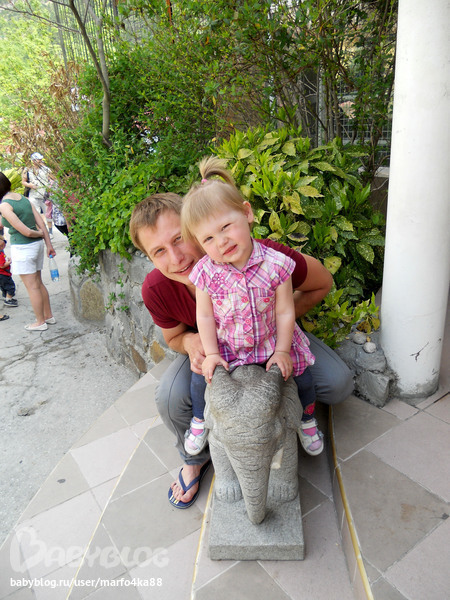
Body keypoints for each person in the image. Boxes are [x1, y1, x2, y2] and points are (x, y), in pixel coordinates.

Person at [129, 189, 353, 509]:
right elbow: (173, 337)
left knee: (336, 383)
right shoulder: (157, 289)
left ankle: (298, 419)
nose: (175, 258)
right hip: (217, 349)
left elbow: (321, 282)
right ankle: (194, 460)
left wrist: (275, 325)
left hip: (273, 339)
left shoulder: (264, 258)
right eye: (159, 251)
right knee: (170, 396)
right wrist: (190, 342)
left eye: (179, 239)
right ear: (150, 259)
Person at [180, 157, 324, 457]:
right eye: (208, 238)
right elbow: (204, 315)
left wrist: (282, 350)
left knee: (303, 377)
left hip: (271, 341)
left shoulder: (276, 264)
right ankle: (199, 420)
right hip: (229, 346)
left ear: (247, 213)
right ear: (200, 244)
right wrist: (212, 354)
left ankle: (307, 419)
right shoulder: (205, 272)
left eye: (226, 227)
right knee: (200, 378)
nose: (221, 241)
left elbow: (285, 311)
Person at [0, 172, 56, 331]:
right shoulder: (23, 198)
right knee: (38, 283)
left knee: (32, 287)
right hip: (37, 247)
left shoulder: (4, 205)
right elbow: (41, 223)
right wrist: (48, 243)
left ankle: (40, 322)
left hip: (23, 247)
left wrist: (39, 234)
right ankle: (48, 316)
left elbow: (27, 232)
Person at [22, 152, 53, 237]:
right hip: (33, 194)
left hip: (45, 194)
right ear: (33, 160)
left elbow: (51, 179)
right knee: (36, 213)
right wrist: (30, 185)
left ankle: (50, 232)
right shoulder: (27, 170)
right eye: (38, 159)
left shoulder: (46, 169)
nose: (40, 161)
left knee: (48, 214)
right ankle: (40, 231)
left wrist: (49, 187)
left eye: (40, 159)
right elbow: (23, 181)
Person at [0, 235, 18, 307]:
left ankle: (7, 297)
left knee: (4, 287)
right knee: (10, 286)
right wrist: (9, 262)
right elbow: (2, 265)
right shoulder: (0, 254)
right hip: (3, 274)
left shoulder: (1, 253)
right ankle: (8, 300)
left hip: (2, 274)